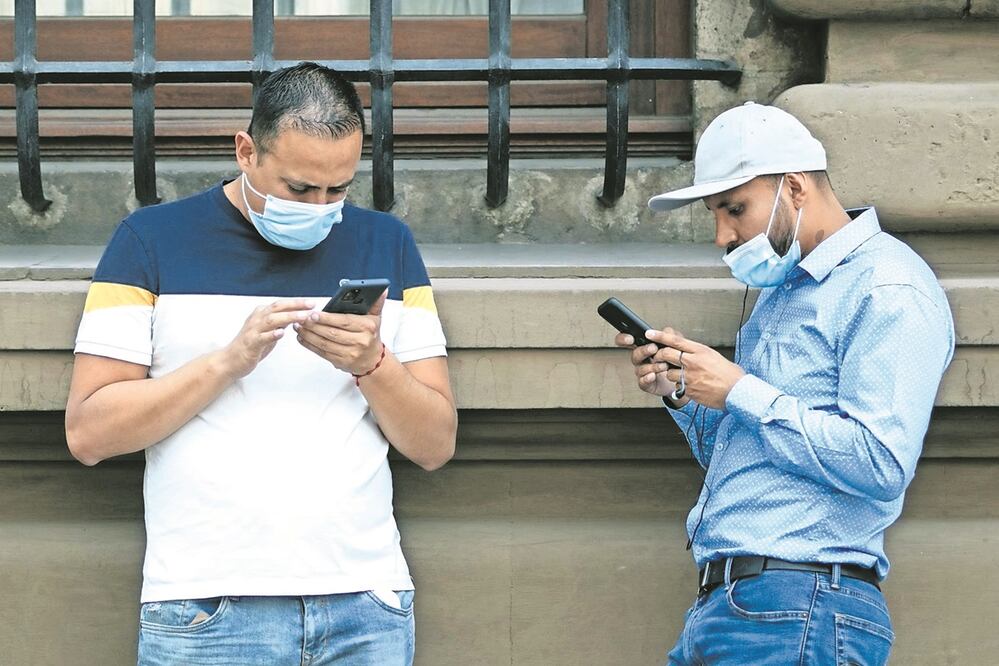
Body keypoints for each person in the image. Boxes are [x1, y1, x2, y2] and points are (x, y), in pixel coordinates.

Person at [65, 61, 457, 665]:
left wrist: (374, 365)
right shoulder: (148, 240)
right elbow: (89, 432)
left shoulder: (387, 242)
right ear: (246, 151)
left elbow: (435, 444)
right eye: (300, 188)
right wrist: (228, 362)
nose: (321, 207)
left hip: (365, 606)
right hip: (206, 606)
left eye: (339, 189)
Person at [617, 102, 954, 665]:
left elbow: (881, 463)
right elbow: (752, 463)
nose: (722, 235)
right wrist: (686, 392)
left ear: (795, 187)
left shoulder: (889, 286)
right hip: (736, 607)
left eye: (734, 209)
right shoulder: (785, 293)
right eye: (715, 214)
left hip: (802, 605)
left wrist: (737, 388)